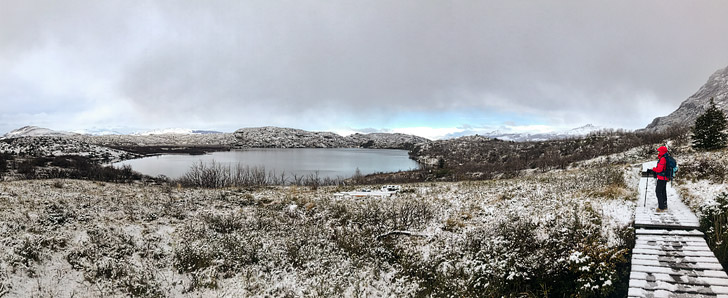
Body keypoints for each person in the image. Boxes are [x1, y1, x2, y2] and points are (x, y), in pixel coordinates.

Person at [652, 146, 669, 212]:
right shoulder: (666, 157)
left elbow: (659, 169)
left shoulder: (662, 159)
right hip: (665, 177)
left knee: (658, 191)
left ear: (662, 151)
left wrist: (654, 169)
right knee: (663, 191)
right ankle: (665, 205)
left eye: (659, 151)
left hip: (662, 177)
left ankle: (661, 207)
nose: (658, 152)